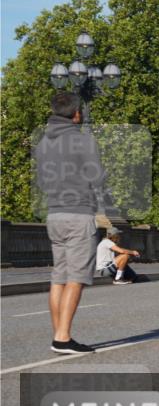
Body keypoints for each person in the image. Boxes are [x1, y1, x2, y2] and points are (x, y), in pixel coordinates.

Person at [34, 92, 105, 355]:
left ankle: (59, 335)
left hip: (55, 214)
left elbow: (41, 181)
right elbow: (97, 177)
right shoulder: (82, 140)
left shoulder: (42, 143)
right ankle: (63, 337)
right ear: (76, 114)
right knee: (76, 277)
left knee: (59, 277)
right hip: (79, 214)